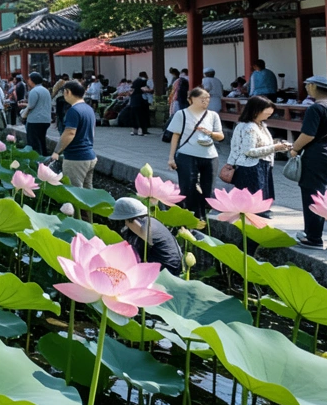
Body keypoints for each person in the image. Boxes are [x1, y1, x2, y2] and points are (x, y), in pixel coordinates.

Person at [167, 87, 224, 219]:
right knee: (188, 187)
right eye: (202, 98)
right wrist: (171, 158)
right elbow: (175, 136)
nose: (206, 101)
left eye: (208, 98)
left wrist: (210, 133)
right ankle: (191, 217)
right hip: (187, 155)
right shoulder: (182, 114)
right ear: (191, 99)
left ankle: (202, 217)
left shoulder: (213, 115)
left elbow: (220, 136)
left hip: (210, 156)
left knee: (208, 189)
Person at [290, 75, 327, 248]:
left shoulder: (316, 108)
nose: (307, 88)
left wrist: (295, 149)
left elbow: (308, 134)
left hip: (317, 156)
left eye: (308, 85)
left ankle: (313, 237)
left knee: (314, 195)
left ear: (314, 86)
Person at [226, 96, 286, 209]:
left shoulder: (260, 124)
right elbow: (249, 151)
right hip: (252, 168)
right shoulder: (249, 127)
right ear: (256, 111)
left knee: (260, 201)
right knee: (254, 202)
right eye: (266, 113)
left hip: (260, 166)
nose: (268, 116)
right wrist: (275, 148)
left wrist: (278, 146)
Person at [109, 197, 182, 276]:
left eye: (126, 222)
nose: (126, 224)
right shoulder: (150, 221)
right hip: (173, 267)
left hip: (166, 270)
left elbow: (134, 253)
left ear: (131, 220)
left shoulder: (143, 228)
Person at [50, 80, 97, 190]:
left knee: (74, 192)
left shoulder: (73, 111)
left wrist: (56, 151)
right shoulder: (89, 109)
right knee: (88, 191)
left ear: (68, 92)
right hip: (90, 156)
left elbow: (70, 133)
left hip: (76, 158)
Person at [21, 72, 53, 156]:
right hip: (46, 120)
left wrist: (23, 114)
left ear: (32, 80)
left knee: (34, 143)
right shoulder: (46, 90)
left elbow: (31, 106)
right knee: (42, 141)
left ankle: (37, 160)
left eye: (29, 79)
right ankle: (44, 159)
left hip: (35, 120)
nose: (28, 81)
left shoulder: (34, 91)